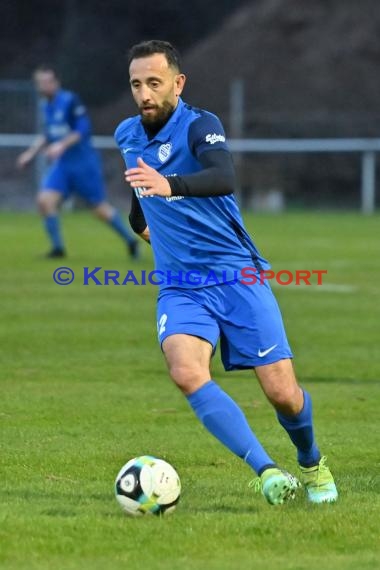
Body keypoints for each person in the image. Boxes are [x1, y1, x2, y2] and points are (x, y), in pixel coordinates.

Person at [115, 40, 338, 505]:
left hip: (237, 276)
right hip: (181, 285)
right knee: (185, 371)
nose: (145, 94)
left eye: (154, 83)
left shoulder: (200, 125)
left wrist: (169, 185)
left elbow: (223, 176)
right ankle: (267, 472)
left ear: (178, 83)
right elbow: (141, 192)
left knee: (283, 394)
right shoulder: (128, 134)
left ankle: (312, 462)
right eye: (137, 84)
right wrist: (140, 222)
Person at [17, 65, 139, 259]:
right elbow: (48, 135)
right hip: (64, 166)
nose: (43, 86)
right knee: (45, 201)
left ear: (56, 82)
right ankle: (58, 249)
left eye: (46, 82)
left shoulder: (69, 101)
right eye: (39, 83)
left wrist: (61, 146)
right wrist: (30, 154)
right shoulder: (45, 106)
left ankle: (131, 240)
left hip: (84, 165)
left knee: (99, 210)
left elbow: (82, 130)